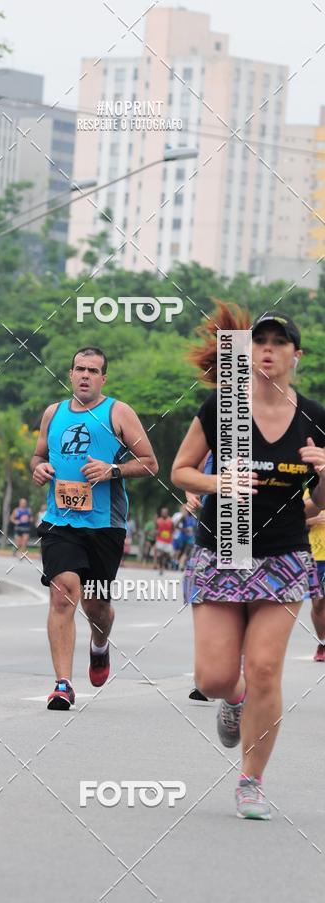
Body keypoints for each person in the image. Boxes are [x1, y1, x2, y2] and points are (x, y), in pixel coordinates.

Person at [172, 305, 325, 820]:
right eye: (261, 341)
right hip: (223, 547)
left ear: (295, 355)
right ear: (247, 350)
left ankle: (251, 780)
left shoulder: (315, 418)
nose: (268, 350)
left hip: (283, 555)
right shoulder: (222, 408)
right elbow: (181, 471)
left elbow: (320, 504)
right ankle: (232, 700)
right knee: (215, 677)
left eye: (280, 343)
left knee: (264, 669)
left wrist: (324, 475)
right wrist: (219, 483)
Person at [31, 346, 158, 710]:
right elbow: (39, 455)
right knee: (62, 593)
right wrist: (37, 468)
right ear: (70, 374)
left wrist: (112, 469)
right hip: (60, 521)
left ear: (103, 378)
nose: (85, 375)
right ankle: (62, 684)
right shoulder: (53, 414)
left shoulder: (117, 412)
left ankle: (99, 645)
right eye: (79, 369)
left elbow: (150, 463)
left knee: (96, 604)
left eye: (93, 370)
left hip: (105, 525)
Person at [303, 489, 325, 661]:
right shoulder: (311, 492)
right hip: (317, 557)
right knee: (318, 605)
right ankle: (322, 642)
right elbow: (293, 521)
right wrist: (313, 519)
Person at [154, 506, 173, 573]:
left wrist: (172, 536)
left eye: (165, 512)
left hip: (168, 541)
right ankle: (160, 567)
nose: (164, 513)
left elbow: (173, 529)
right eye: (163, 512)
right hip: (160, 540)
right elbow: (156, 529)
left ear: (167, 513)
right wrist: (156, 532)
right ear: (161, 513)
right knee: (159, 554)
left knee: (167, 555)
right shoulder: (158, 520)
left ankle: (163, 565)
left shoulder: (170, 521)